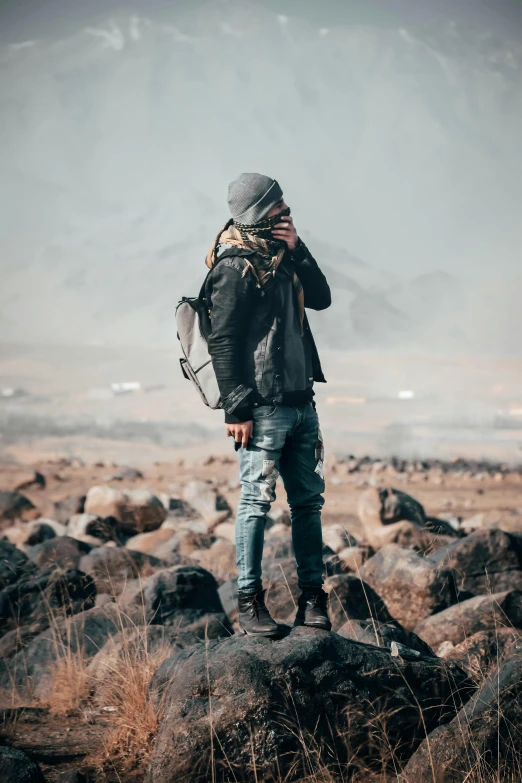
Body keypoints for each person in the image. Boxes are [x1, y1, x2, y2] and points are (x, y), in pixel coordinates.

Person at [205, 173, 332, 637]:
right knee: (256, 502)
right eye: (278, 205)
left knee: (308, 505)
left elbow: (322, 299)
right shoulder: (234, 266)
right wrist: (235, 409)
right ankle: (249, 601)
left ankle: (313, 601)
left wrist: (299, 248)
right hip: (261, 409)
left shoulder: (283, 257)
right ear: (261, 211)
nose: (286, 210)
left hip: (302, 404)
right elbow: (222, 341)